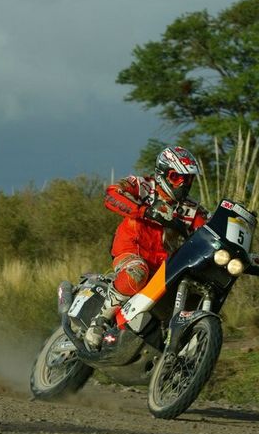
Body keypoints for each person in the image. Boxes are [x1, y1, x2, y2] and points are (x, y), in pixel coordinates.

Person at [84, 145, 209, 350]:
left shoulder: (193, 209)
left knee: (194, 293)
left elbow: (208, 230)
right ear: (162, 173)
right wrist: (145, 211)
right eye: (176, 177)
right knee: (137, 271)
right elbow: (112, 195)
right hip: (131, 249)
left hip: (165, 267)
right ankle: (100, 321)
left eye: (188, 179)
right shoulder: (143, 186)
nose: (183, 184)